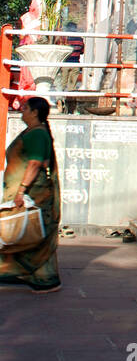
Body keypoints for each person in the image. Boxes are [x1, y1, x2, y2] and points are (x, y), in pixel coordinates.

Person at [0, 95, 62, 292]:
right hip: (28, 192)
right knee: (24, 231)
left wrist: (21, 190)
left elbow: (35, 163)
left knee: (31, 231)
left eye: (25, 108)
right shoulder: (35, 131)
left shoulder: (37, 134)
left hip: (31, 193)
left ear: (35, 112)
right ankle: (24, 273)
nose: (22, 110)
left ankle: (43, 277)